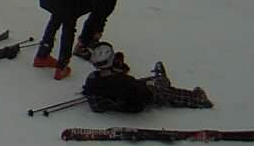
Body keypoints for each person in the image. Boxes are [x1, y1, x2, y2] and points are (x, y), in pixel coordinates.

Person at [82, 43, 212, 112]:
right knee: (164, 90)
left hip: (117, 97)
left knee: (142, 82)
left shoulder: (92, 78)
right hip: (132, 103)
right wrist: (150, 90)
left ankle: (158, 81)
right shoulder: (124, 82)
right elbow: (142, 94)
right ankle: (197, 99)